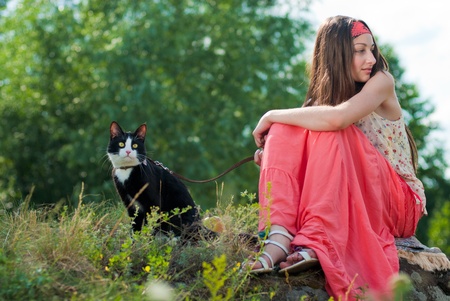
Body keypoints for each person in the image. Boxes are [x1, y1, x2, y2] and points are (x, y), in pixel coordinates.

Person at [245, 15, 426, 300]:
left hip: (398, 202)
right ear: (336, 55)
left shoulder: (381, 82)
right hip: (356, 194)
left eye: (372, 49)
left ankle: (319, 240)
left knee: (316, 125)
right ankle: (278, 236)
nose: (370, 58)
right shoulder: (321, 107)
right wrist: (274, 153)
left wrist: (270, 116)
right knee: (286, 129)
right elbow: (324, 159)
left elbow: (338, 119)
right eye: (360, 51)